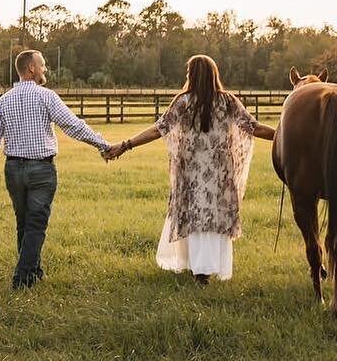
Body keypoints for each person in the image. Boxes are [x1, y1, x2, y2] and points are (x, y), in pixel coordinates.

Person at [105, 54, 274, 284]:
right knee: (214, 217)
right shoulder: (228, 101)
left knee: (196, 216)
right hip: (220, 173)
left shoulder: (184, 102)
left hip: (192, 174)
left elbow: (158, 129)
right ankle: (205, 269)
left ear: (192, 75)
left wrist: (125, 145)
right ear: (214, 74)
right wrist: (285, 136)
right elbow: (255, 128)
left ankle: (200, 271)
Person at [0, 49, 113, 289]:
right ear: (31, 69)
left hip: (13, 170)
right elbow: (73, 125)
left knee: (24, 222)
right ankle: (22, 278)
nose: (45, 69)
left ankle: (34, 271)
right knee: (36, 224)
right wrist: (103, 145)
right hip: (41, 170)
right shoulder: (46, 96)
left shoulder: (3, 101)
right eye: (43, 65)